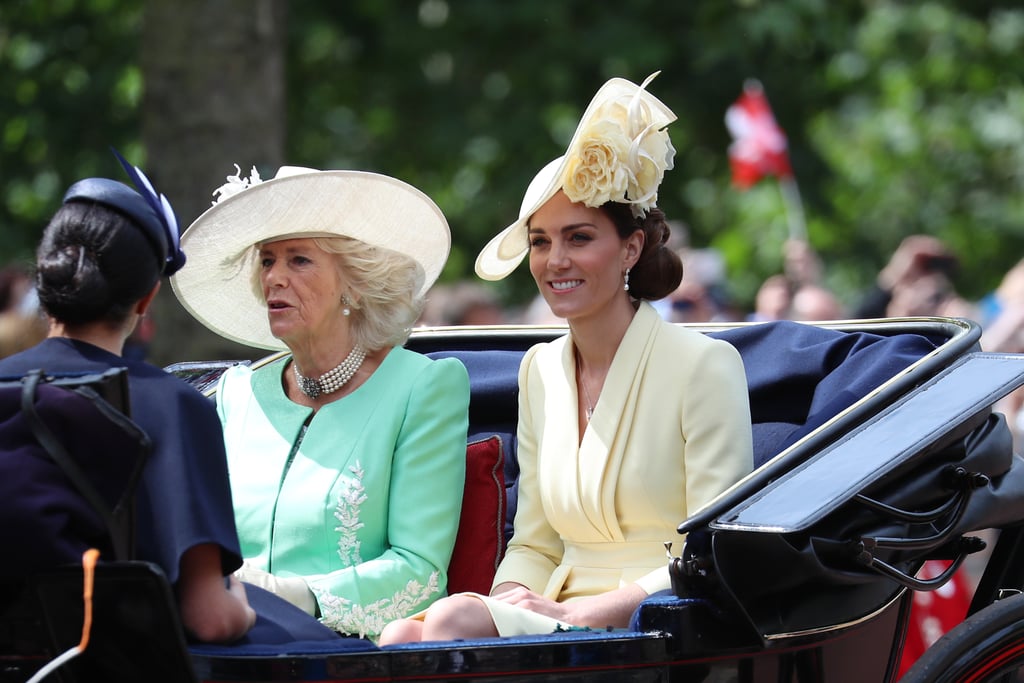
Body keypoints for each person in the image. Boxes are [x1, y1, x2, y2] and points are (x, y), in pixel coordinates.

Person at [379, 73, 754, 643]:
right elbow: (534, 541)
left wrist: (584, 613)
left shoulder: (706, 365)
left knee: (451, 620)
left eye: (579, 237)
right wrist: (508, 601)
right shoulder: (539, 371)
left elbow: (711, 551)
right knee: (401, 635)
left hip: (660, 619)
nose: (555, 260)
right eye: (540, 241)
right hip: (554, 614)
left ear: (630, 247)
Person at [170, 165, 471, 639]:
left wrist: (293, 596)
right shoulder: (236, 393)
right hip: (222, 639)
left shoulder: (424, 387)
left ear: (353, 282)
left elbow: (420, 573)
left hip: (339, 651)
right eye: (267, 260)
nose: (275, 278)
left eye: (299, 260)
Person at [0, 160, 256, 643]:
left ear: (45, 281)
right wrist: (240, 607)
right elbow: (210, 617)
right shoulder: (173, 406)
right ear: (147, 299)